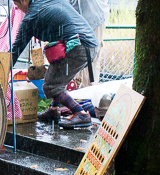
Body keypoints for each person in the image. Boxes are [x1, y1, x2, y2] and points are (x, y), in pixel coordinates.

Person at [10, 0, 98, 129]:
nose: (17, 8)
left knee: (50, 86)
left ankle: (81, 113)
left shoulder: (31, 16)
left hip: (79, 46)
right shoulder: (46, 2)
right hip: (87, 44)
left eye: (17, 5)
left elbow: (15, 50)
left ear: (23, 0)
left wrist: (2, 69)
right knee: (54, 75)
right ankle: (54, 110)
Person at [70, 0, 108, 88]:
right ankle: (75, 87)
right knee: (76, 54)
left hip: (93, 16)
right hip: (77, 19)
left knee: (91, 56)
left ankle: (88, 93)